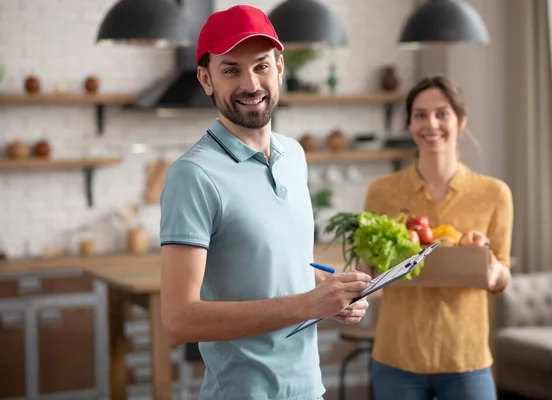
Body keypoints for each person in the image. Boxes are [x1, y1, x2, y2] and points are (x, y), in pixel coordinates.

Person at [158, 5, 371, 400]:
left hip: (308, 390)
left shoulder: (294, 156)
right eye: (231, 70)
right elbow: (178, 319)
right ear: (206, 79)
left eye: (261, 66)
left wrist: (330, 293)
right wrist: (309, 304)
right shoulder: (194, 175)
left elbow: (280, 268)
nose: (250, 83)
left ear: (280, 68)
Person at [361, 75, 513, 400]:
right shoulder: (382, 192)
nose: (431, 124)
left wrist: (494, 272)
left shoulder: (494, 194)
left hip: (466, 357)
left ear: (461, 121)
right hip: (397, 355)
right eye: (420, 115)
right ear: (410, 124)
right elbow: (367, 269)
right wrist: (365, 274)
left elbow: (502, 274)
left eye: (442, 113)